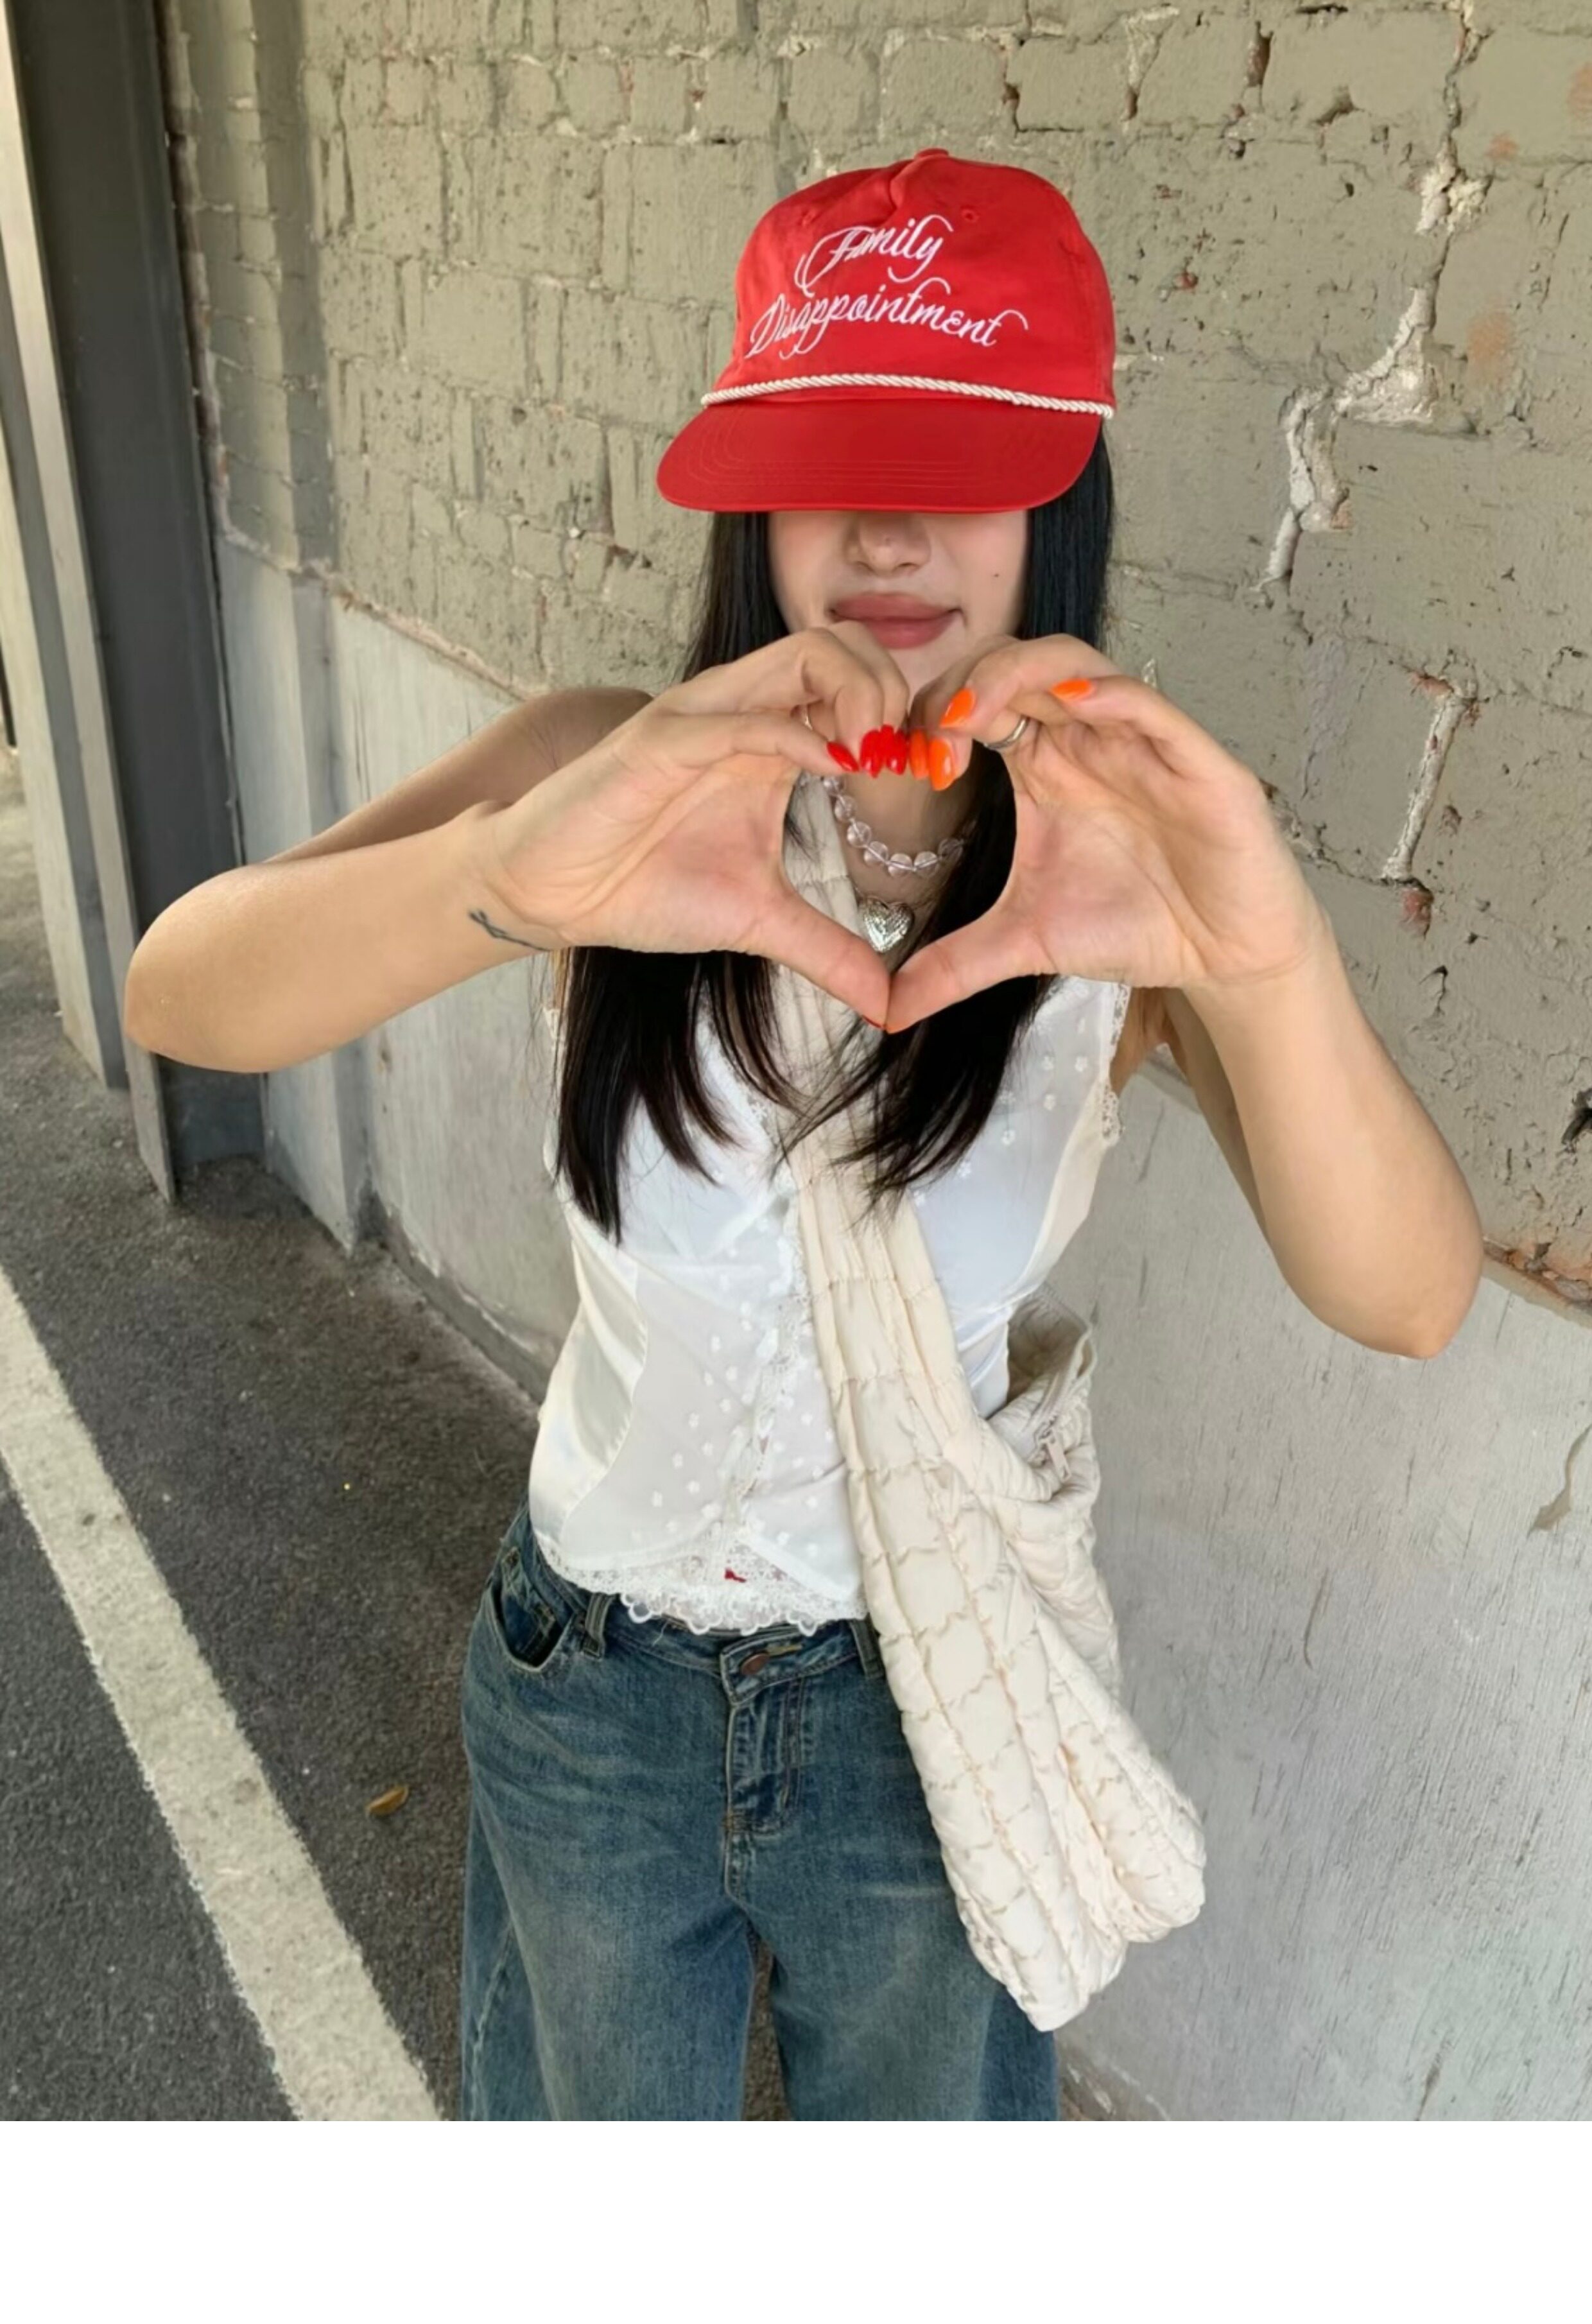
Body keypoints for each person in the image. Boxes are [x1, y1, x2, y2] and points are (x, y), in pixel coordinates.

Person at [123, 148, 1482, 2120]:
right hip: (593, 1683)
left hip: (922, 1702)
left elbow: (1413, 1296)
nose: (889, 526)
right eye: (830, 456)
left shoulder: (1123, 853)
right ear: (751, 496)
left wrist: (1262, 959)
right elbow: (179, 992)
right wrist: (511, 877)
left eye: (963, 458)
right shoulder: (611, 772)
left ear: (1061, 496)